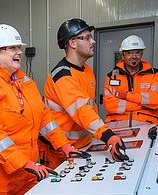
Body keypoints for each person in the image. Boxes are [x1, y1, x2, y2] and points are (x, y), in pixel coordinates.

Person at [0, 24, 85, 195]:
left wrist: (64, 145)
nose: (19, 52)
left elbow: (45, 117)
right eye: (12, 48)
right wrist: (25, 163)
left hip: (28, 170)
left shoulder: (26, 82)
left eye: (19, 48)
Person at [41, 18, 129, 169]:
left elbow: (90, 108)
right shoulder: (62, 75)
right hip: (61, 151)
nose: (93, 41)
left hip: (84, 146)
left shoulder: (86, 70)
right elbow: (81, 110)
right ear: (73, 43)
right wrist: (107, 136)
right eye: (87, 38)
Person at [103, 35, 158, 128]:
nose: (134, 56)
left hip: (146, 127)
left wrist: (127, 96)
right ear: (122, 55)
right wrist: (141, 105)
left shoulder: (154, 74)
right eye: (129, 53)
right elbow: (110, 105)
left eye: (137, 52)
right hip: (116, 129)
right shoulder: (112, 76)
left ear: (142, 54)